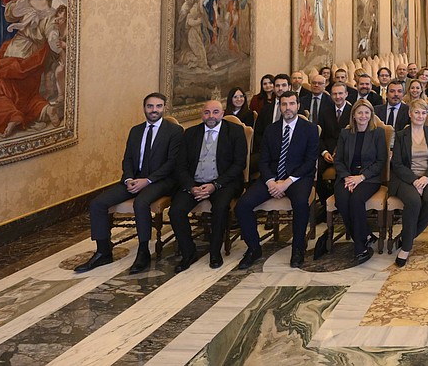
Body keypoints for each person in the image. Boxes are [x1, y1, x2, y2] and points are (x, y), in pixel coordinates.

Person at [75, 93, 184, 274]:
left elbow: (172, 163)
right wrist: (128, 179)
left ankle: (143, 252)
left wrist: (147, 181)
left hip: (161, 181)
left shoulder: (174, 131)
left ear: (164, 108)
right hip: (134, 179)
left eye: (158, 106)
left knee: (141, 203)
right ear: (144, 108)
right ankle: (103, 252)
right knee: (97, 204)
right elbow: (128, 159)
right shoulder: (136, 131)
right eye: (150, 106)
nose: (154, 110)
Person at [235, 90, 320, 269]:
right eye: (284, 104)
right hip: (272, 178)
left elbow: (310, 161)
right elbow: (264, 160)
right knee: (242, 205)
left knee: (300, 203)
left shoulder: (310, 129)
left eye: (291, 104)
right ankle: (253, 248)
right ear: (279, 106)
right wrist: (271, 182)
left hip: (298, 178)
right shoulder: (271, 129)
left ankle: (298, 249)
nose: (287, 108)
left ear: (298, 106)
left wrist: (287, 182)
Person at [169, 99, 247, 272]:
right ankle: (188, 252)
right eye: (207, 112)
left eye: (215, 112)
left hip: (224, 182)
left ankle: (214, 252)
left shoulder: (235, 131)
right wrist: (191, 187)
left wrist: (216, 184)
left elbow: (239, 164)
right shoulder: (190, 133)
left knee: (220, 208)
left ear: (222, 113)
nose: (211, 116)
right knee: (175, 211)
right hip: (195, 182)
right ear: (201, 114)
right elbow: (180, 165)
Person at [390, 99, 428, 266]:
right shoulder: (400, 135)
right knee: (413, 201)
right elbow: (397, 164)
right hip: (406, 178)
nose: (420, 116)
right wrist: (415, 181)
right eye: (417, 112)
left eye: (423, 112)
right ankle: (406, 247)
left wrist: (426, 178)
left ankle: (408, 234)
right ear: (410, 113)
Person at [333, 99, 388, 266]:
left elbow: (381, 161)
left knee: (356, 200)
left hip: (369, 179)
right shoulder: (345, 133)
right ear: (354, 115)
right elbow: (339, 160)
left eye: (366, 112)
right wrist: (347, 177)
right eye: (360, 113)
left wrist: (361, 177)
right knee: (342, 200)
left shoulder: (377, 133)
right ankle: (365, 235)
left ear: (371, 115)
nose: (363, 116)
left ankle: (360, 246)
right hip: (347, 177)